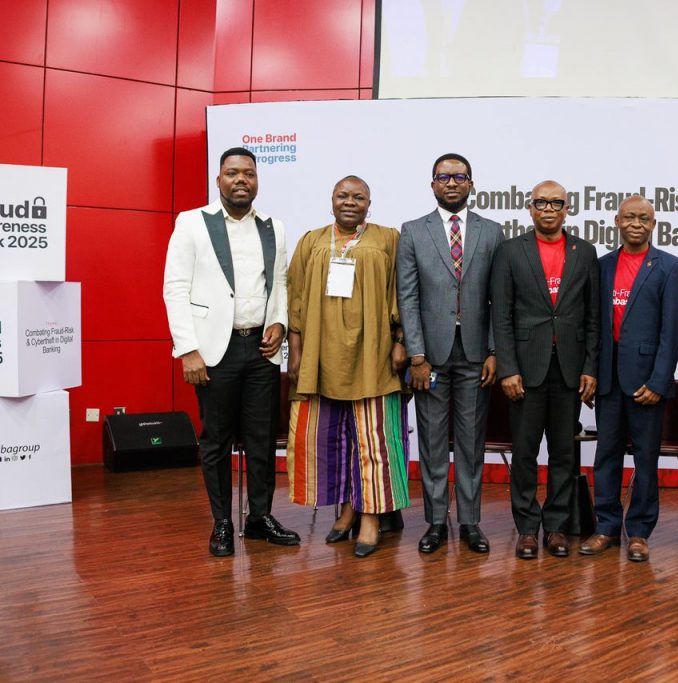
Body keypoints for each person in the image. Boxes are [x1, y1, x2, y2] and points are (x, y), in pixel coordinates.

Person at [163, 147, 300, 557]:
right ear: (218, 180)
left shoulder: (273, 226)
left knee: (261, 441)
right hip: (212, 351)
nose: (241, 180)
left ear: (258, 180)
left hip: (260, 349)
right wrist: (188, 350)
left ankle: (259, 518)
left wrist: (278, 324)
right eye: (232, 173)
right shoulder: (191, 223)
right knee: (217, 441)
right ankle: (223, 522)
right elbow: (175, 289)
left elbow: (278, 284)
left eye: (249, 174)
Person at [285, 175, 410, 558]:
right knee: (332, 437)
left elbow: (404, 291)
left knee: (373, 439)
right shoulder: (312, 240)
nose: (350, 201)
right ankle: (346, 509)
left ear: (369, 204)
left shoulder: (388, 238)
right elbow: (296, 296)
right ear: (332, 200)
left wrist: (402, 340)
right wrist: (296, 348)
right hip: (323, 353)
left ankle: (370, 517)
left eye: (359, 197)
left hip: (373, 352)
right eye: (343, 195)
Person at [398, 153, 503, 555]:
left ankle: (470, 522)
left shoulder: (492, 232)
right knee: (433, 441)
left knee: (472, 442)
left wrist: (494, 350)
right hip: (432, 358)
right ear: (433, 184)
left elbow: (499, 299)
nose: (453, 183)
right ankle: (436, 522)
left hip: (477, 354)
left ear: (472, 183)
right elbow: (408, 297)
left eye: (460, 177)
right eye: (445, 177)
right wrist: (417, 356)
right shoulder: (412, 231)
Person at [491, 180, 600, 560]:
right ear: (530, 207)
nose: (549, 208)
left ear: (567, 208)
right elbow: (500, 316)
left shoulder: (585, 253)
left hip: (569, 372)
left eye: (557, 203)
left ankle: (555, 527)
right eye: (542, 202)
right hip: (525, 370)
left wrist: (590, 367)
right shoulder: (510, 252)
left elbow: (592, 319)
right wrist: (507, 368)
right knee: (524, 453)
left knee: (563, 455)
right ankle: (525, 528)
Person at [579, 195, 678, 562]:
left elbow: (671, 332)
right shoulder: (603, 265)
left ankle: (639, 532)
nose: (637, 223)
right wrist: (591, 372)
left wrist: (659, 382)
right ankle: (606, 527)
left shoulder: (670, 267)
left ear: (653, 224)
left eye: (644, 218)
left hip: (646, 385)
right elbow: (594, 326)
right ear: (617, 221)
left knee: (645, 460)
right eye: (630, 217)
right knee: (606, 457)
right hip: (608, 381)